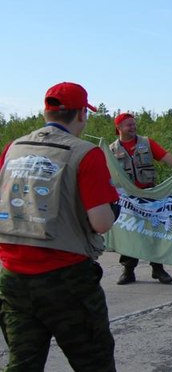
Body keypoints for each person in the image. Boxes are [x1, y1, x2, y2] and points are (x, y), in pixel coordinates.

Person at [0, 82, 119, 371]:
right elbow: (101, 223)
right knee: (94, 361)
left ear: (45, 113)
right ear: (81, 115)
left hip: (11, 276)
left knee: (22, 362)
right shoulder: (85, 153)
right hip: (65, 277)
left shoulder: (12, 149)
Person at [110, 112, 172, 285]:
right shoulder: (111, 150)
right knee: (129, 233)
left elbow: (164, 155)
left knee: (154, 232)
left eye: (133, 124)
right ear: (119, 128)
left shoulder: (146, 143)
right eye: (128, 125)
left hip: (150, 196)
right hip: (128, 201)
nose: (133, 127)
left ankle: (158, 269)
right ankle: (128, 270)